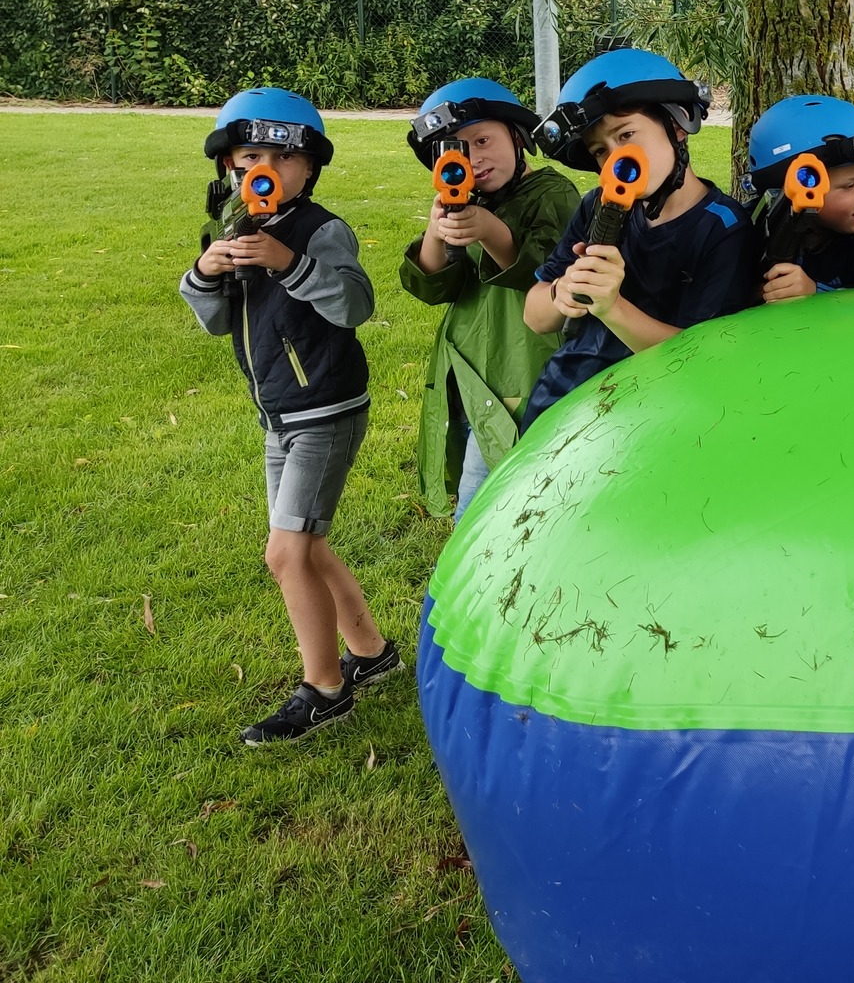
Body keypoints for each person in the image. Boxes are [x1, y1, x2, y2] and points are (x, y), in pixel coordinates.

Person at [179, 88, 398, 745]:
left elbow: (354, 304)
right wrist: (206, 273)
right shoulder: (233, 227)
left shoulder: (319, 229)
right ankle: (371, 651)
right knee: (304, 544)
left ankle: (326, 689)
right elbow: (220, 324)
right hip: (280, 412)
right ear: (229, 169)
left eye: (282, 155)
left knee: (286, 551)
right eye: (249, 156)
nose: (263, 167)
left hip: (325, 409)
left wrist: (291, 263)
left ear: (309, 168)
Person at [521, 49, 756, 425]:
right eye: (600, 150)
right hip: (561, 408)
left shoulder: (723, 227)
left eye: (626, 134)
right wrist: (561, 291)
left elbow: (703, 360)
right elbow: (535, 316)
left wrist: (611, 308)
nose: (616, 158)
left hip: (652, 424)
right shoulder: (596, 205)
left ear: (677, 124)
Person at [398, 77, 581, 519]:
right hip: (469, 372)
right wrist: (439, 228)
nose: (474, 158)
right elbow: (432, 285)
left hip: (522, 371)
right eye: (456, 149)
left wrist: (490, 231)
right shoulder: (469, 201)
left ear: (517, 137)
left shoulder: (553, 194)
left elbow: (546, 272)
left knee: (484, 510)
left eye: (483, 140)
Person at [746, 94, 854, 301]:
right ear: (798, 182)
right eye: (850, 185)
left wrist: (816, 293)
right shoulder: (747, 231)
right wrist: (753, 296)